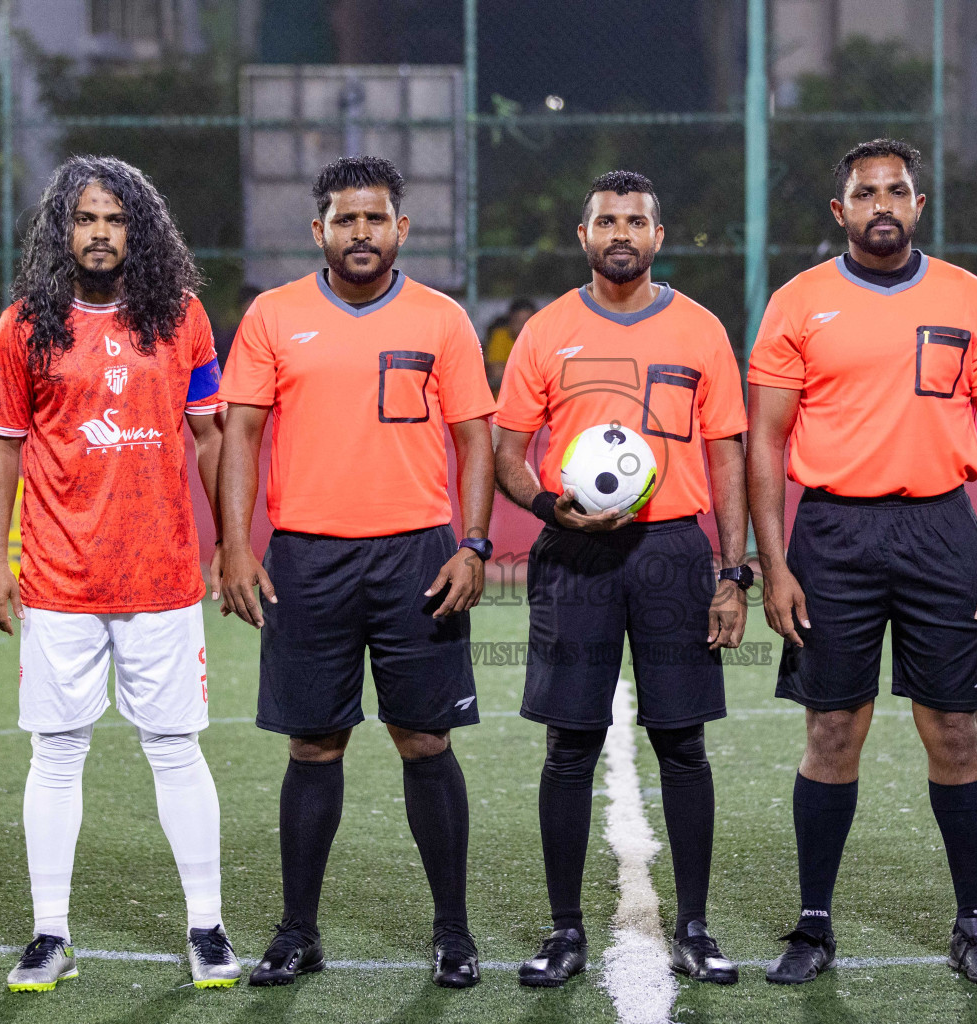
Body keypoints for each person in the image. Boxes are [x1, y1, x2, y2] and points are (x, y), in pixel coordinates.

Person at [747, 139, 977, 987]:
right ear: (840, 212)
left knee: (955, 730)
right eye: (865, 192)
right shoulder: (799, 303)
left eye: (897, 191)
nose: (882, 204)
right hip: (830, 536)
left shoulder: (969, 297)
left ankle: (974, 923)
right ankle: (814, 924)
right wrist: (775, 560)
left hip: (944, 532)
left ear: (918, 204)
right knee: (832, 731)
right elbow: (763, 439)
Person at [218, 155, 497, 989]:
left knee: (425, 739)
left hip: (418, 554)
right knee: (313, 744)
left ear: (401, 229)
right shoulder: (273, 316)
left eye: (376, 218)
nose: (361, 232)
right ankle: (297, 931)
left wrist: (474, 543)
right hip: (307, 557)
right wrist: (237, 544)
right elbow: (241, 435)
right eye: (346, 219)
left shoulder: (443, 319)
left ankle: (453, 932)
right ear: (320, 231)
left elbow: (475, 437)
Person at [0, 156, 240, 992]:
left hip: (162, 574)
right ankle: (49, 934)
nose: (99, 233)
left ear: (141, 230)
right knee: (56, 752)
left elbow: (209, 437)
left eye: (115, 219)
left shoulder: (183, 318)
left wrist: (233, 540)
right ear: (62, 229)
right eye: (85, 218)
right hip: (59, 579)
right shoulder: (24, 326)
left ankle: (207, 928)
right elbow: (1, 451)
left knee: (174, 748)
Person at [493, 170, 749, 987]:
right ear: (584, 235)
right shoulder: (545, 332)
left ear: (658, 236)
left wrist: (734, 571)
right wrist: (548, 505)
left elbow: (728, 455)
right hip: (574, 552)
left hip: (672, 550)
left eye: (636, 220)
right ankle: (565, 931)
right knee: (569, 745)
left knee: (682, 744)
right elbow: (506, 450)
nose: (621, 233)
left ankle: (698, 928)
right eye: (606, 219)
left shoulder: (701, 331)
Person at [483, 296, 536, 393]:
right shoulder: (500, 336)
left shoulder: (540, 339)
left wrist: (508, 369)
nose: (522, 327)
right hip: (504, 401)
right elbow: (497, 372)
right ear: (510, 321)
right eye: (518, 322)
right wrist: (532, 373)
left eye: (527, 322)